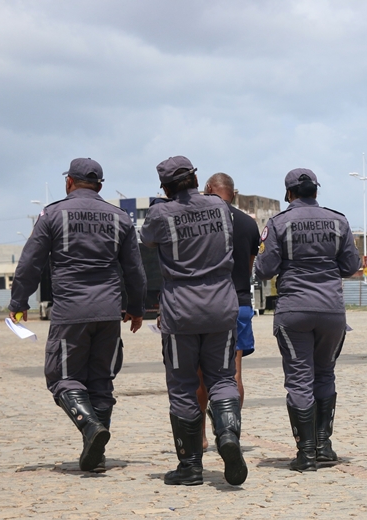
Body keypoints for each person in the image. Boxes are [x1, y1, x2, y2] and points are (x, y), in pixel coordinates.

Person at [8, 157, 147, 473]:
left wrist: (18, 303)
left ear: (69, 182)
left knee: (63, 377)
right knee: (101, 381)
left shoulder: (52, 214)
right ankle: (94, 454)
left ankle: (88, 428)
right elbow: (135, 271)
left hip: (71, 313)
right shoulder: (120, 218)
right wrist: (137, 309)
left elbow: (30, 263)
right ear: (99, 186)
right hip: (110, 312)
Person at [139, 156, 247, 486]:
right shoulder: (219, 207)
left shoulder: (160, 213)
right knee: (223, 377)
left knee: (184, 385)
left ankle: (190, 466)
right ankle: (227, 433)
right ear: (196, 178)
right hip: (221, 305)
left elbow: (146, 240)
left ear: (166, 186)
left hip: (181, 310)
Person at [254, 168, 360, 472]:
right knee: (325, 373)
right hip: (331, 310)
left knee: (300, 377)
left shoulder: (277, 223)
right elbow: (351, 265)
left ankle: (307, 452)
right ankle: (324, 446)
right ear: (316, 191)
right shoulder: (338, 221)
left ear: (289, 194)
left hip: (294, 310)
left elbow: (264, 268)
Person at [196, 172, 260, 449]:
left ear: (208, 189)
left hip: (207, 303)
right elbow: (248, 267)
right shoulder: (248, 223)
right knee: (234, 374)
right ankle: (231, 432)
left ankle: (199, 437)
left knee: (199, 375)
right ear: (233, 193)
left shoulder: (201, 220)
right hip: (240, 302)